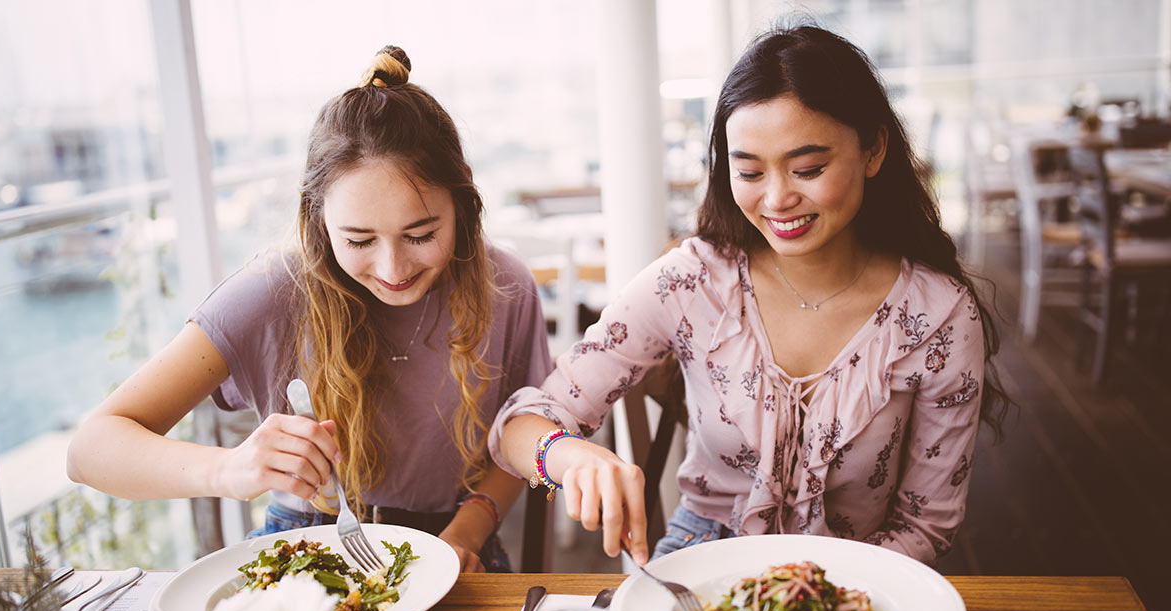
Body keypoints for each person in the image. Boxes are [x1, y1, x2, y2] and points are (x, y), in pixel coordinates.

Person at [489, 24, 1008, 568]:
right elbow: (523, 425)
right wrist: (572, 459)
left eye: (808, 169)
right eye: (750, 171)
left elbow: (926, 525)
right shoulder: (691, 281)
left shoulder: (938, 315)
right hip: (701, 559)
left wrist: (810, 596)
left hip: (862, 571)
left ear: (874, 149)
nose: (778, 199)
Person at [66, 46, 551, 573]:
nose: (393, 268)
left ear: (464, 203)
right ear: (319, 221)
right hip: (308, 543)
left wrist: (470, 528)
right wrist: (229, 470)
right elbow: (90, 450)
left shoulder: (506, 285)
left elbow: (520, 435)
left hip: (459, 540)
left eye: (421, 234)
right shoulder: (272, 290)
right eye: (359, 240)